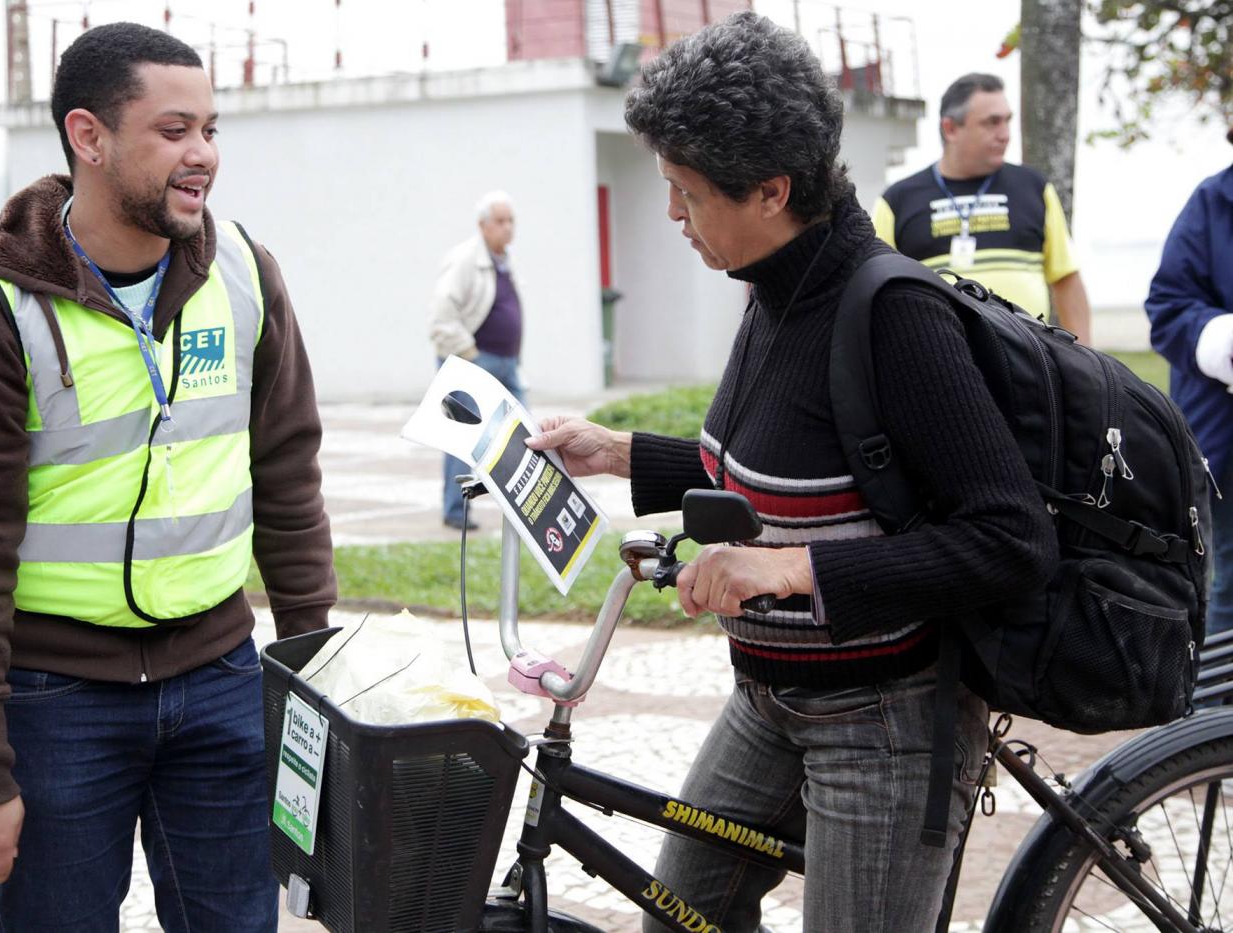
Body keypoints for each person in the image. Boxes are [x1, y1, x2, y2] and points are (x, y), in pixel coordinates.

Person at [526, 14, 1058, 932]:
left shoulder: (892, 316)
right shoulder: (774, 288)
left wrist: (791, 568)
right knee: (680, 917)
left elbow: (1013, 540)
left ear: (771, 190)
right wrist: (618, 452)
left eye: (687, 193)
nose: (672, 216)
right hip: (770, 696)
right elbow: (782, 467)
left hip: (882, 721)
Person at [0, 22, 336, 932]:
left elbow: (288, 476)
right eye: (174, 130)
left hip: (222, 677)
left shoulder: (247, 274)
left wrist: (313, 674)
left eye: (211, 130)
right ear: (88, 136)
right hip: (54, 700)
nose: (204, 157)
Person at [872, 73, 1093, 344]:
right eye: (992, 123)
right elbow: (876, 289)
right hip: (940, 357)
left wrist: (1084, 359)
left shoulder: (1034, 187)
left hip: (1030, 363)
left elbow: (1066, 278)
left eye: (1007, 120)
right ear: (950, 128)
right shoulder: (898, 200)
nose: (1005, 134)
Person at [1145, 128, 1233, 636]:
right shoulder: (1211, 203)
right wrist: (1225, 341)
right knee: (1230, 583)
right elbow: (1168, 309)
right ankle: (1216, 710)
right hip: (1227, 435)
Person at [429, 190, 526, 530]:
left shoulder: (503, 260)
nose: (507, 228)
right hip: (473, 362)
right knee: (462, 438)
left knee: (522, 432)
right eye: (500, 221)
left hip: (506, 364)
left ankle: (522, 508)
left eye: (511, 220)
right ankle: (456, 511)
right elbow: (442, 317)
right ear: (483, 226)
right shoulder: (466, 260)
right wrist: (471, 355)